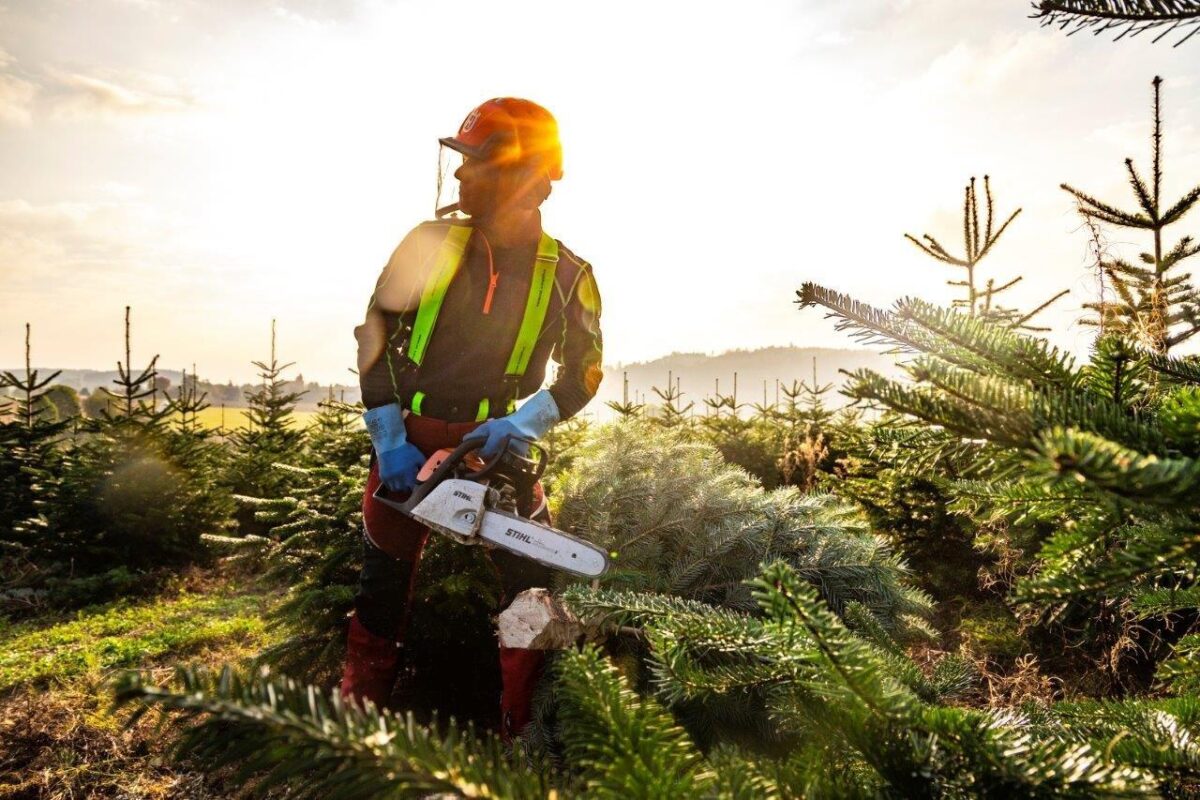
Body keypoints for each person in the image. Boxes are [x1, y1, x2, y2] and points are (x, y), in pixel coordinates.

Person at [341, 97, 603, 740]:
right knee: (381, 590)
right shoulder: (427, 244)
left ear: (525, 173)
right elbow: (375, 334)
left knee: (532, 596)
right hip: (410, 441)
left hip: (498, 449)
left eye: (477, 164)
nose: (461, 178)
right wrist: (390, 439)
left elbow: (586, 373)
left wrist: (523, 425)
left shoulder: (570, 273)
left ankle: (529, 738)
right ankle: (353, 729)